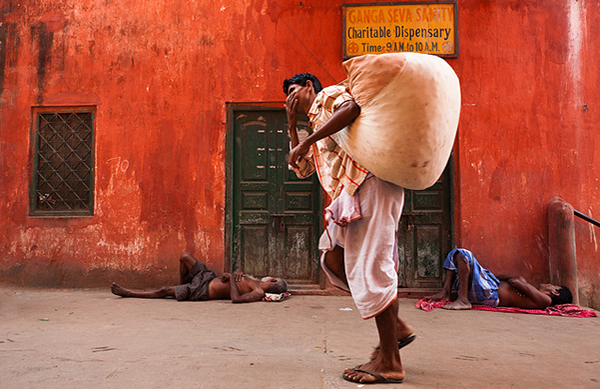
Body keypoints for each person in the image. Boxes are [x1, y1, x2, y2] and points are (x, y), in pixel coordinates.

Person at [283, 73, 412, 384]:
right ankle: (396, 329)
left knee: (372, 267)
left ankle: (391, 362)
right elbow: (302, 167)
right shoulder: (314, 123)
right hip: (350, 192)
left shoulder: (327, 96)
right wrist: (292, 127)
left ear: (309, 86)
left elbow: (351, 108)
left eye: (292, 90)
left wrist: (309, 140)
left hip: (371, 182)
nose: (289, 98)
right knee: (333, 261)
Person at [111, 252, 288, 303]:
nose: (268, 277)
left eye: (271, 277)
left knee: (164, 291)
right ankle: (182, 286)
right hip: (207, 276)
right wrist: (236, 272)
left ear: (272, 281)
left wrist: (232, 279)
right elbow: (238, 275)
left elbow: (235, 299)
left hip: (203, 290)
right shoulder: (254, 280)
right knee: (184, 257)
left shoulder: (257, 291)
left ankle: (129, 293)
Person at [430, 248, 573, 310]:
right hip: (490, 286)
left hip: (491, 294)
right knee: (455, 253)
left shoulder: (545, 300)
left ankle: (463, 300)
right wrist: (520, 280)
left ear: (555, 292)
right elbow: (501, 277)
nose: (548, 283)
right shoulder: (534, 292)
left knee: (464, 254)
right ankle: (446, 292)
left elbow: (514, 281)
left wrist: (520, 281)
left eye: (552, 285)